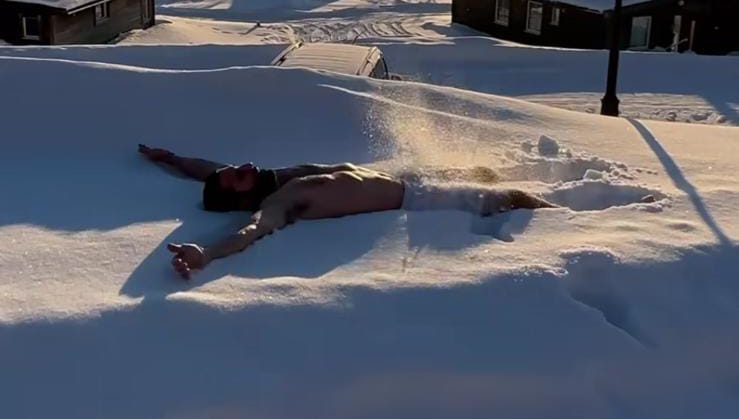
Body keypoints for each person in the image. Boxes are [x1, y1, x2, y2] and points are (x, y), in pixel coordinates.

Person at [138, 145, 554, 280]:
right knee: (512, 197)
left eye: (239, 166)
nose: (245, 167)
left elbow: (210, 169)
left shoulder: (273, 177)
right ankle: (573, 223)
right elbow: (250, 232)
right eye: (238, 177)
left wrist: (171, 158)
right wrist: (207, 253)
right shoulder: (278, 202)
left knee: (484, 172)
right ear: (241, 200)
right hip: (414, 200)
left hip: (398, 177)